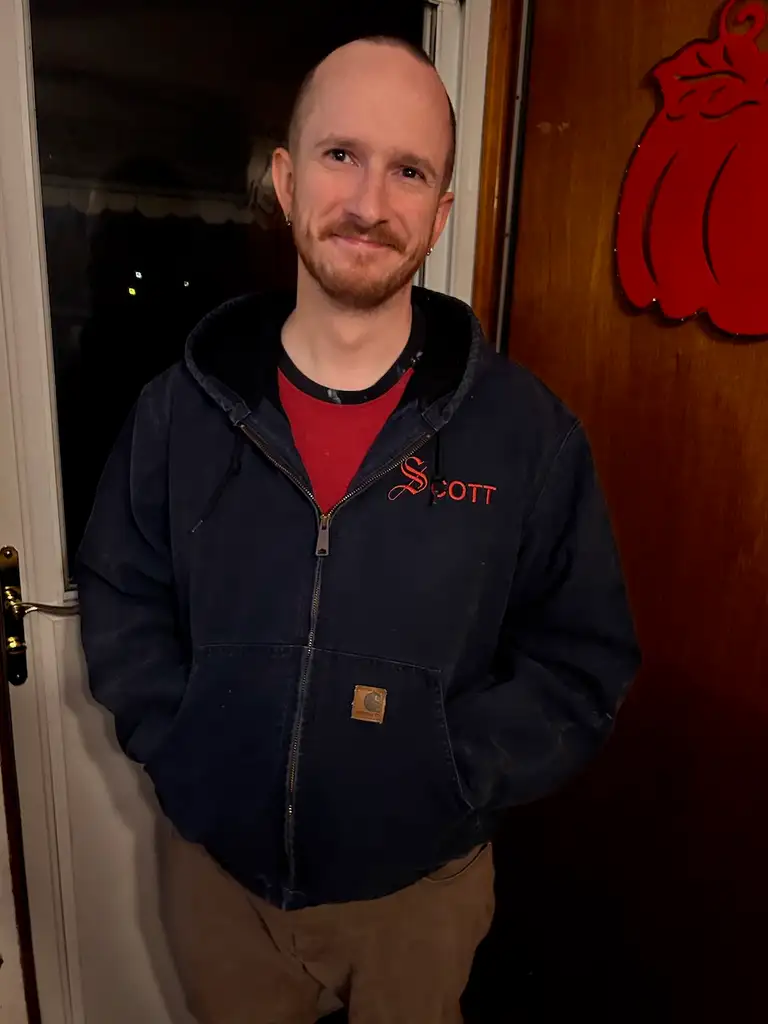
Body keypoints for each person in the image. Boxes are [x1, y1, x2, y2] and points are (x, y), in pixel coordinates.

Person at [77, 35, 640, 1024]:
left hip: (420, 896)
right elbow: (124, 595)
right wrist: (185, 742)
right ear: (285, 182)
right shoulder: (178, 412)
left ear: (442, 211)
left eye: (409, 169)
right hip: (220, 889)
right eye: (341, 155)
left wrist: (450, 769)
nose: (371, 203)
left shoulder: (528, 435)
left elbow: (582, 656)